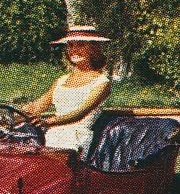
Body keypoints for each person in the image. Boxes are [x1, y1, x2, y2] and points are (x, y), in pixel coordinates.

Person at [22, 24, 113, 154]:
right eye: (70, 45)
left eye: (80, 45)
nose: (74, 50)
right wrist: (10, 116)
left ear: (93, 48)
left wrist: (48, 121)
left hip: (76, 140)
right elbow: (36, 107)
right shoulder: (61, 80)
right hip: (52, 135)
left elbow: (80, 113)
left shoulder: (102, 82)